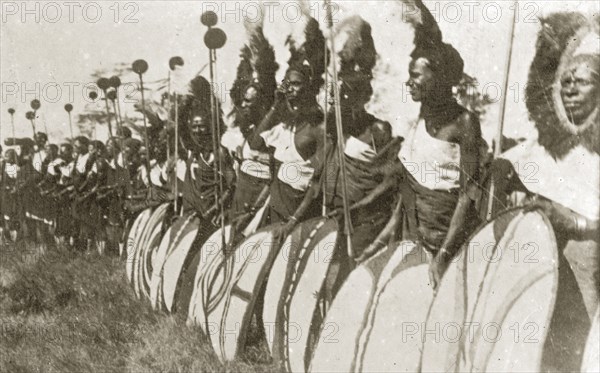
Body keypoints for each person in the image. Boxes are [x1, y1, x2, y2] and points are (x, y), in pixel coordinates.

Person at [492, 13, 599, 371]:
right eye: (566, 81)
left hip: (585, 260)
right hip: (542, 254)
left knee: (574, 349)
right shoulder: (553, 139)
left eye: (581, 83)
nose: (569, 88)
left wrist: (570, 220)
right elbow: (511, 165)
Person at [247, 17, 328, 225]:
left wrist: (293, 220)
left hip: (300, 220)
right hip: (276, 215)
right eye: (287, 83)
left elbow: (316, 184)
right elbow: (256, 144)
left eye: (296, 84)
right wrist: (276, 105)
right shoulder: (284, 125)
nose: (290, 88)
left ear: (308, 87)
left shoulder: (317, 127)